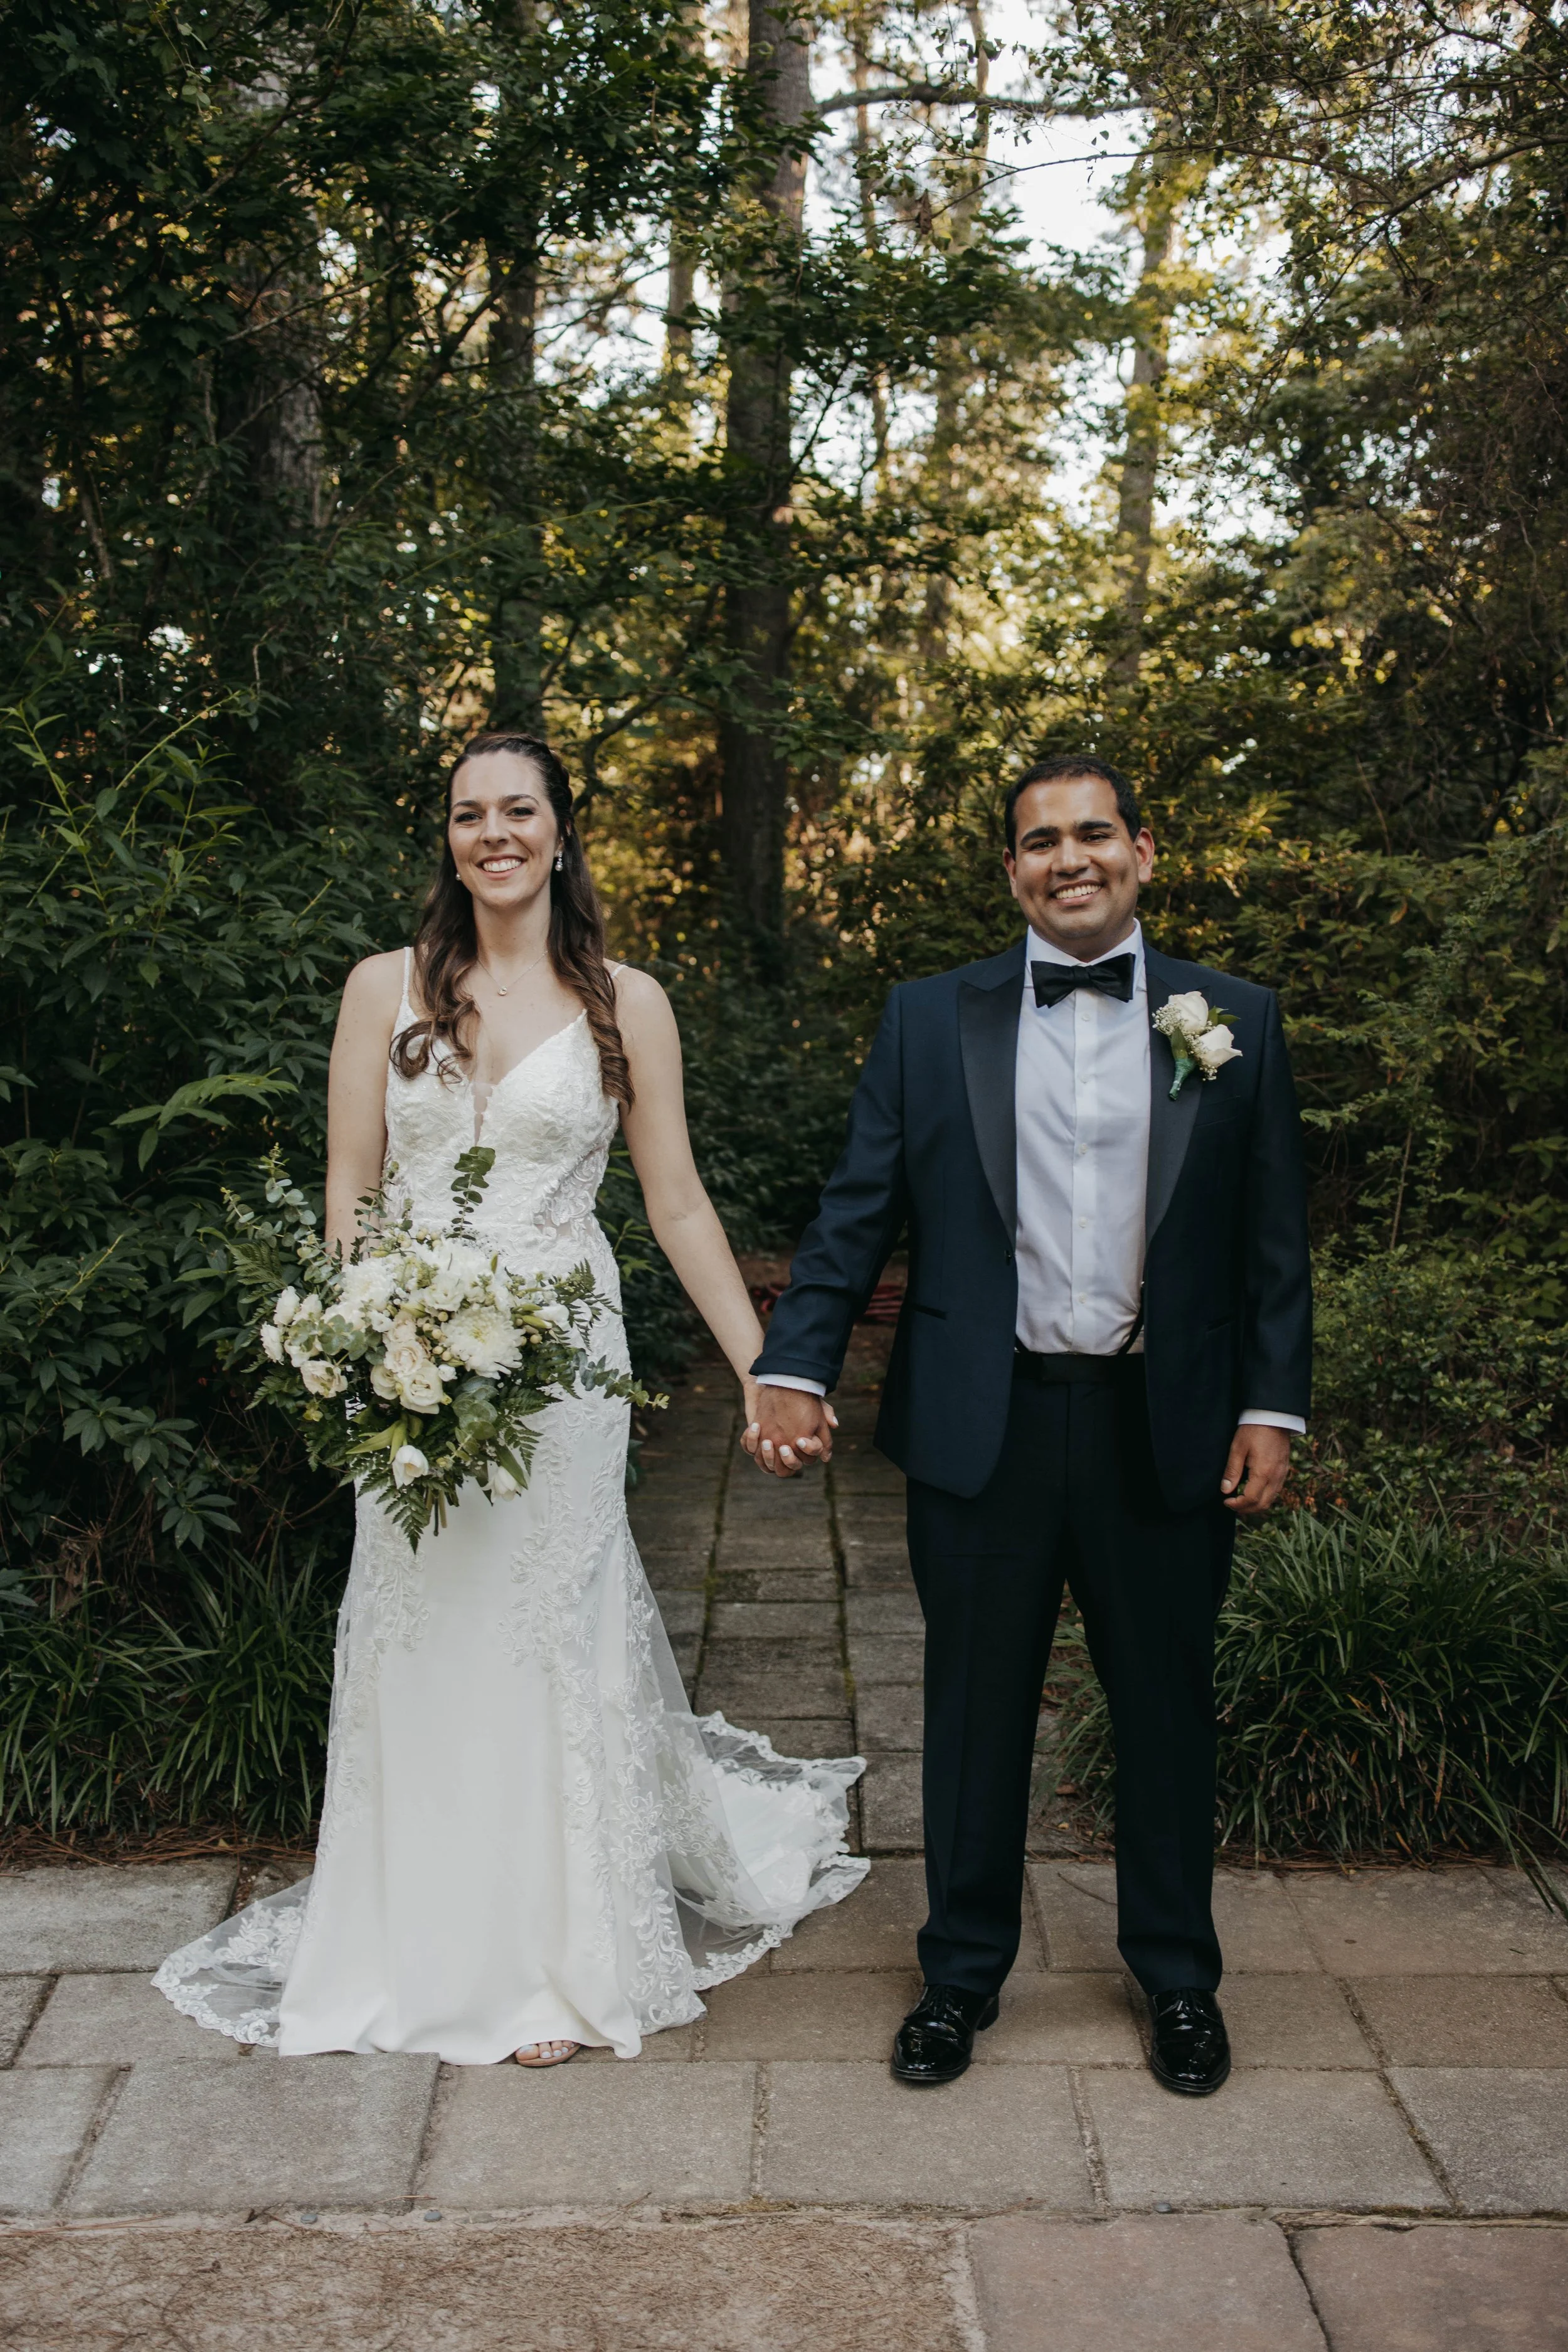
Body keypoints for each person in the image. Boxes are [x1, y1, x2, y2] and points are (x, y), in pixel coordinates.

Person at [155, 731, 866, 2065]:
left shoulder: (622, 1001)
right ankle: (414, 1928)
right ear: (448, 838)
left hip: (562, 1364)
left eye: (518, 810)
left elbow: (676, 1203)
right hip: (408, 1366)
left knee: (549, 1632)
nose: (494, 832)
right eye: (468, 813)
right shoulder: (383, 990)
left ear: (558, 830)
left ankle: (552, 1956)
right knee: (421, 1628)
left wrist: (762, 1371)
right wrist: (366, 1344)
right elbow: (350, 1188)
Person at [746, 754, 1311, 2096]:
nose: (1067, 858)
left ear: (1141, 850)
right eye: (1038, 841)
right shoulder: (929, 1018)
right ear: (1011, 870)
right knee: (970, 1707)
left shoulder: (1230, 1019)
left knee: (1166, 1711)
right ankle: (958, 1977)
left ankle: (1177, 1979)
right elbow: (853, 1213)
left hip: (1158, 1425)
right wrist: (794, 1367)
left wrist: (1269, 1405)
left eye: (1092, 834)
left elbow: (1270, 1237)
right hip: (978, 1425)